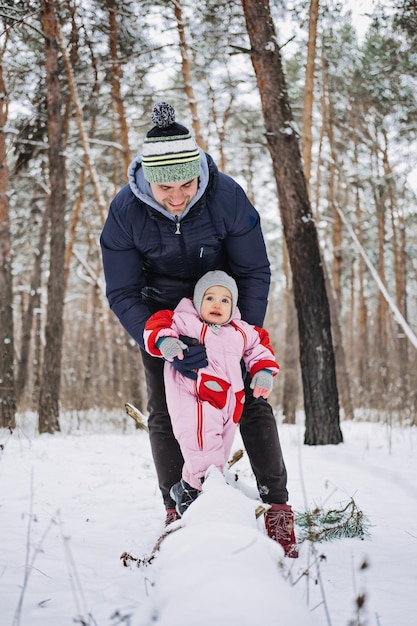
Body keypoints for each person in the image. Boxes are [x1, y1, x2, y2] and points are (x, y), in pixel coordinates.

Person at [100, 101, 298, 557]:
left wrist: (238, 337)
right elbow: (123, 291)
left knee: (249, 401)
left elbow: (253, 272)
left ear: (199, 175)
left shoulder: (226, 196)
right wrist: (165, 341)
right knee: (165, 410)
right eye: (165, 186)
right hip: (161, 318)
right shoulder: (126, 210)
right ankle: (179, 506)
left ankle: (277, 507)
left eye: (186, 184)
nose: (176, 196)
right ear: (147, 178)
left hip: (222, 309)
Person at [143, 270, 280, 516]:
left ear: (233, 306)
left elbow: (259, 346)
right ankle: (197, 501)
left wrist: (263, 371)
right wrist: (165, 341)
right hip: (193, 399)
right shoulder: (185, 320)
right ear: (197, 302)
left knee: (218, 451)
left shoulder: (240, 330)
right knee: (202, 449)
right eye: (209, 298)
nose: (217, 304)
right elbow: (157, 324)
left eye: (225, 300)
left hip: (229, 404)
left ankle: (188, 489)